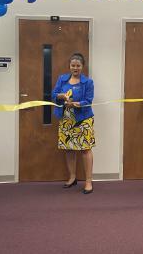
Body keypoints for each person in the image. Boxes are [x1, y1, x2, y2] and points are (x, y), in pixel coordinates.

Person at [52, 53, 95, 194]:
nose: (75, 68)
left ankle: (88, 181)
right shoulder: (62, 79)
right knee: (69, 149)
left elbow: (89, 100)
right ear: (69, 66)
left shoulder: (88, 82)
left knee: (85, 149)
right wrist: (61, 96)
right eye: (73, 65)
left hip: (83, 119)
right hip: (66, 119)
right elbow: (53, 94)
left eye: (78, 66)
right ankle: (72, 177)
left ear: (82, 67)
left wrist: (78, 104)